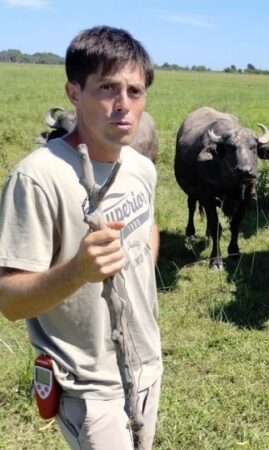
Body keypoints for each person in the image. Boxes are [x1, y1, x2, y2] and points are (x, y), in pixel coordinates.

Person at [0, 26, 161, 450]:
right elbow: (10, 302)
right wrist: (77, 271)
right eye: (108, 88)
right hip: (88, 387)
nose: (123, 105)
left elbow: (148, 229)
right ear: (74, 93)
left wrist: (137, 267)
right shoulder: (37, 179)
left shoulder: (140, 167)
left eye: (135, 91)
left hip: (147, 364)